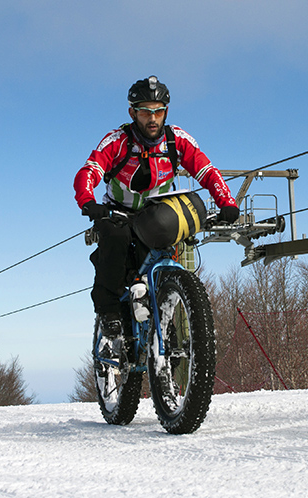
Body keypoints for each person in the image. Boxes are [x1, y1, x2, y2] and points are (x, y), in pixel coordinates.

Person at [73, 76, 239, 350]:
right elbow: (89, 171)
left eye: (158, 111)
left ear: (166, 112)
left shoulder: (176, 140)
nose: (153, 118)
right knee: (114, 245)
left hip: (157, 212)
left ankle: (165, 312)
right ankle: (110, 311)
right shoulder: (117, 142)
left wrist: (226, 203)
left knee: (162, 255)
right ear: (132, 113)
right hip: (118, 212)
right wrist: (88, 202)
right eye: (145, 111)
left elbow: (207, 171)